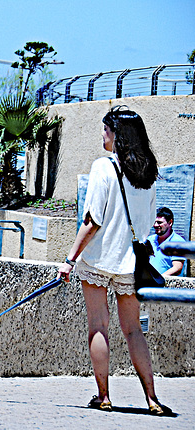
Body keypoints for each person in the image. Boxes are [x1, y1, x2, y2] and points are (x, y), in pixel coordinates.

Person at [57, 106, 171, 415]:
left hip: (99, 259)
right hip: (131, 263)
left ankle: (104, 396)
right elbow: (147, 225)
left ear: (116, 135)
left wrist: (69, 259)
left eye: (106, 129)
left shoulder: (102, 167)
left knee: (98, 325)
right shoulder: (148, 174)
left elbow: (92, 220)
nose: (102, 134)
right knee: (133, 329)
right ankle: (152, 398)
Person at [148, 207, 186, 276]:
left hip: (167, 285)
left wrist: (159, 280)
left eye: (159, 223)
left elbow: (177, 268)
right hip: (149, 284)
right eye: (154, 222)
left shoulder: (178, 243)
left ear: (170, 222)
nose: (155, 225)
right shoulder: (150, 240)